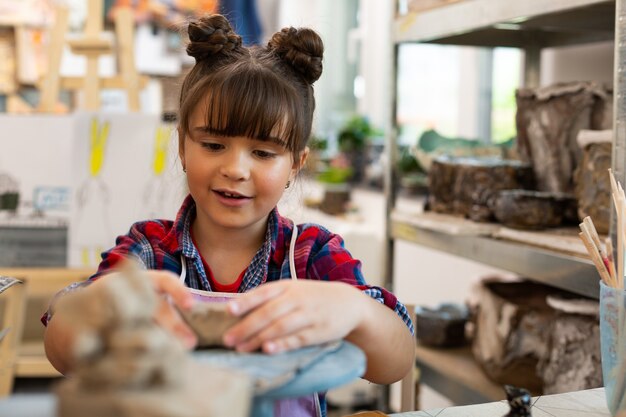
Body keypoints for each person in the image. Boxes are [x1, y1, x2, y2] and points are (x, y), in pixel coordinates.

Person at [43, 14, 415, 417]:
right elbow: (62, 352)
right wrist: (101, 307)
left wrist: (354, 311)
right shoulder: (149, 249)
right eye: (214, 145)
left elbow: (393, 364)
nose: (236, 169)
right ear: (183, 146)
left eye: (263, 153)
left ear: (295, 164)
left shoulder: (310, 254)